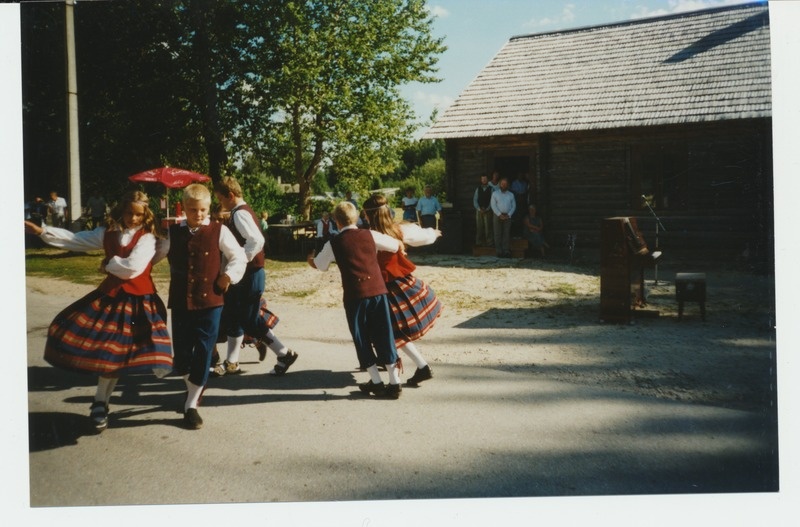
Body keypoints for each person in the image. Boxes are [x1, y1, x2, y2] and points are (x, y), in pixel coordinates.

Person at [24, 190, 172, 433]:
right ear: (121, 210)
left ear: (145, 216)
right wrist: (43, 232)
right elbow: (76, 240)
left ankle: (190, 396)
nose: (132, 218)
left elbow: (132, 268)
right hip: (112, 298)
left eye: (138, 215)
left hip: (139, 302)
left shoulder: (147, 238)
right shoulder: (108, 233)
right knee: (108, 354)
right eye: (128, 213)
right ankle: (100, 403)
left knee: (148, 353)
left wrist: (107, 264)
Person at [161, 183, 247, 429]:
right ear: (184, 209)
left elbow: (238, 256)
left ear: (209, 208)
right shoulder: (173, 232)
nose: (198, 215)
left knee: (204, 351)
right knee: (183, 359)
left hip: (210, 302)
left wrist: (228, 276)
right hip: (180, 302)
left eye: (202, 210)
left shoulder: (218, 231)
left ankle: (191, 404)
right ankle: (195, 390)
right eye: (192, 210)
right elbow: (154, 253)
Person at [307, 201, 403, 399]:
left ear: (336, 221)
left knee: (362, 337)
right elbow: (395, 245)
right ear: (356, 217)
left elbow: (320, 265)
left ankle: (376, 381)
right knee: (384, 333)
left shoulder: (333, 242)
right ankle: (395, 382)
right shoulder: (370, 234)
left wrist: (310, 260)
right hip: (377, 291)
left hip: (355, 295)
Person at [213, 177, 299, 377]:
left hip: (250, 273)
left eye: (221, 199)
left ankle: (283, 353)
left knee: (249, 319)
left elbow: (256, 240)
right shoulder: (240, 212)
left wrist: (240, 259)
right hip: (248, 273)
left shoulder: (239, 214)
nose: (220, 204)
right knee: (236, 316)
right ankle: (233, 362)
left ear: (230, 195)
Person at [362, 194, 442, 387]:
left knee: (391, 332)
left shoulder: (369, 236)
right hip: (403, 283)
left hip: (384, 289)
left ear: (367, 215)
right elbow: (422, 236)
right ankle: (415, 367)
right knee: (392, 331)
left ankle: (412, 369)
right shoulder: (397, 230)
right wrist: (433, 232)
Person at [490, 177, 516, 258]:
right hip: (497, 216)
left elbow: (514, 206)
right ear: (500, 184)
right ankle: (499, 251)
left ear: (507, 185)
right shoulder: (495, 194)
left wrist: (509, 214)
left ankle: (506, 251)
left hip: (508, 216)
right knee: (497, 233)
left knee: (506, 233)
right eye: (502, 184)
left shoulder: (511, 194)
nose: (503, 185)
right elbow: (493, 205)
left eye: (505, 184)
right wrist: (499, 214)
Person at [473, 174, 494, 247]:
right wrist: (479, 209)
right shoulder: (478, 189)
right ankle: (479, 242)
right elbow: (475, 200)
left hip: (488, 210)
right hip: (479, 211)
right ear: (481, 180)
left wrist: (487, 208)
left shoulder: (491, 189)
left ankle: (489, 243)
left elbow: (492, 200)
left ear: (487, 180)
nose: (484, 180)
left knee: (488, 227)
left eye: (485, 179)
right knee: (479, 227)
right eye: (483, 179)